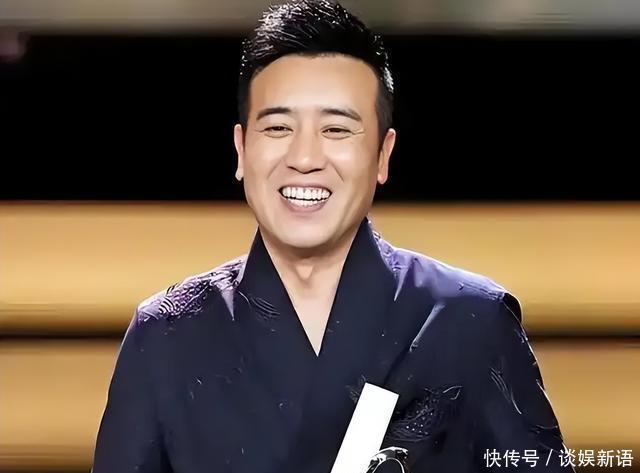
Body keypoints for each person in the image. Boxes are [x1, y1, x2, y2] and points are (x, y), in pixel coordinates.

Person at [92, 1, 574, 472]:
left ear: (383, 155)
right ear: (241, 149)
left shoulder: (470, 322)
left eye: (337, 130)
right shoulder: (166, 336)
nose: (305, 157)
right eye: (278, 127)